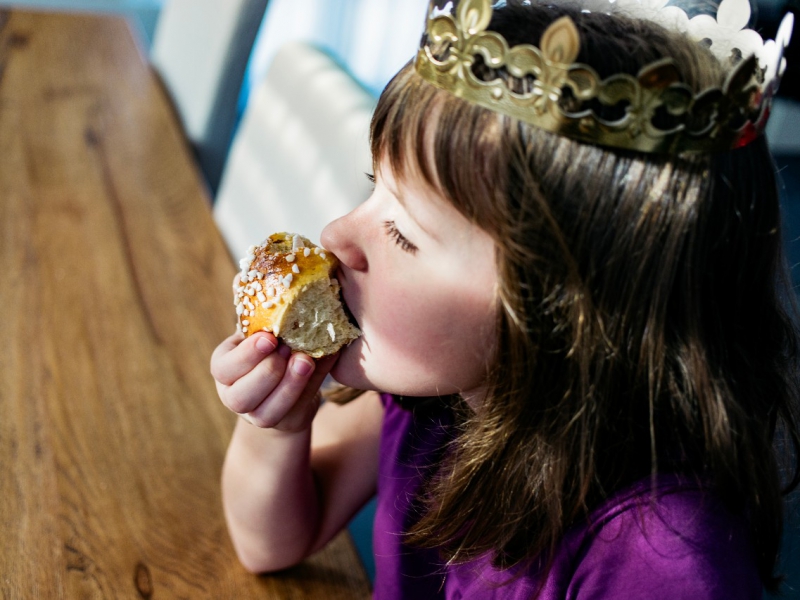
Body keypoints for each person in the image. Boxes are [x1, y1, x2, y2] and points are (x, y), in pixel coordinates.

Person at [210, 0, 800, 597]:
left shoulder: (661, 562)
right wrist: (280, 426)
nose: (336, 233)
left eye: (402, 233)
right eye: (374, 187)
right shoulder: (441, 394)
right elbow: (270, 543)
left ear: (562, 314)